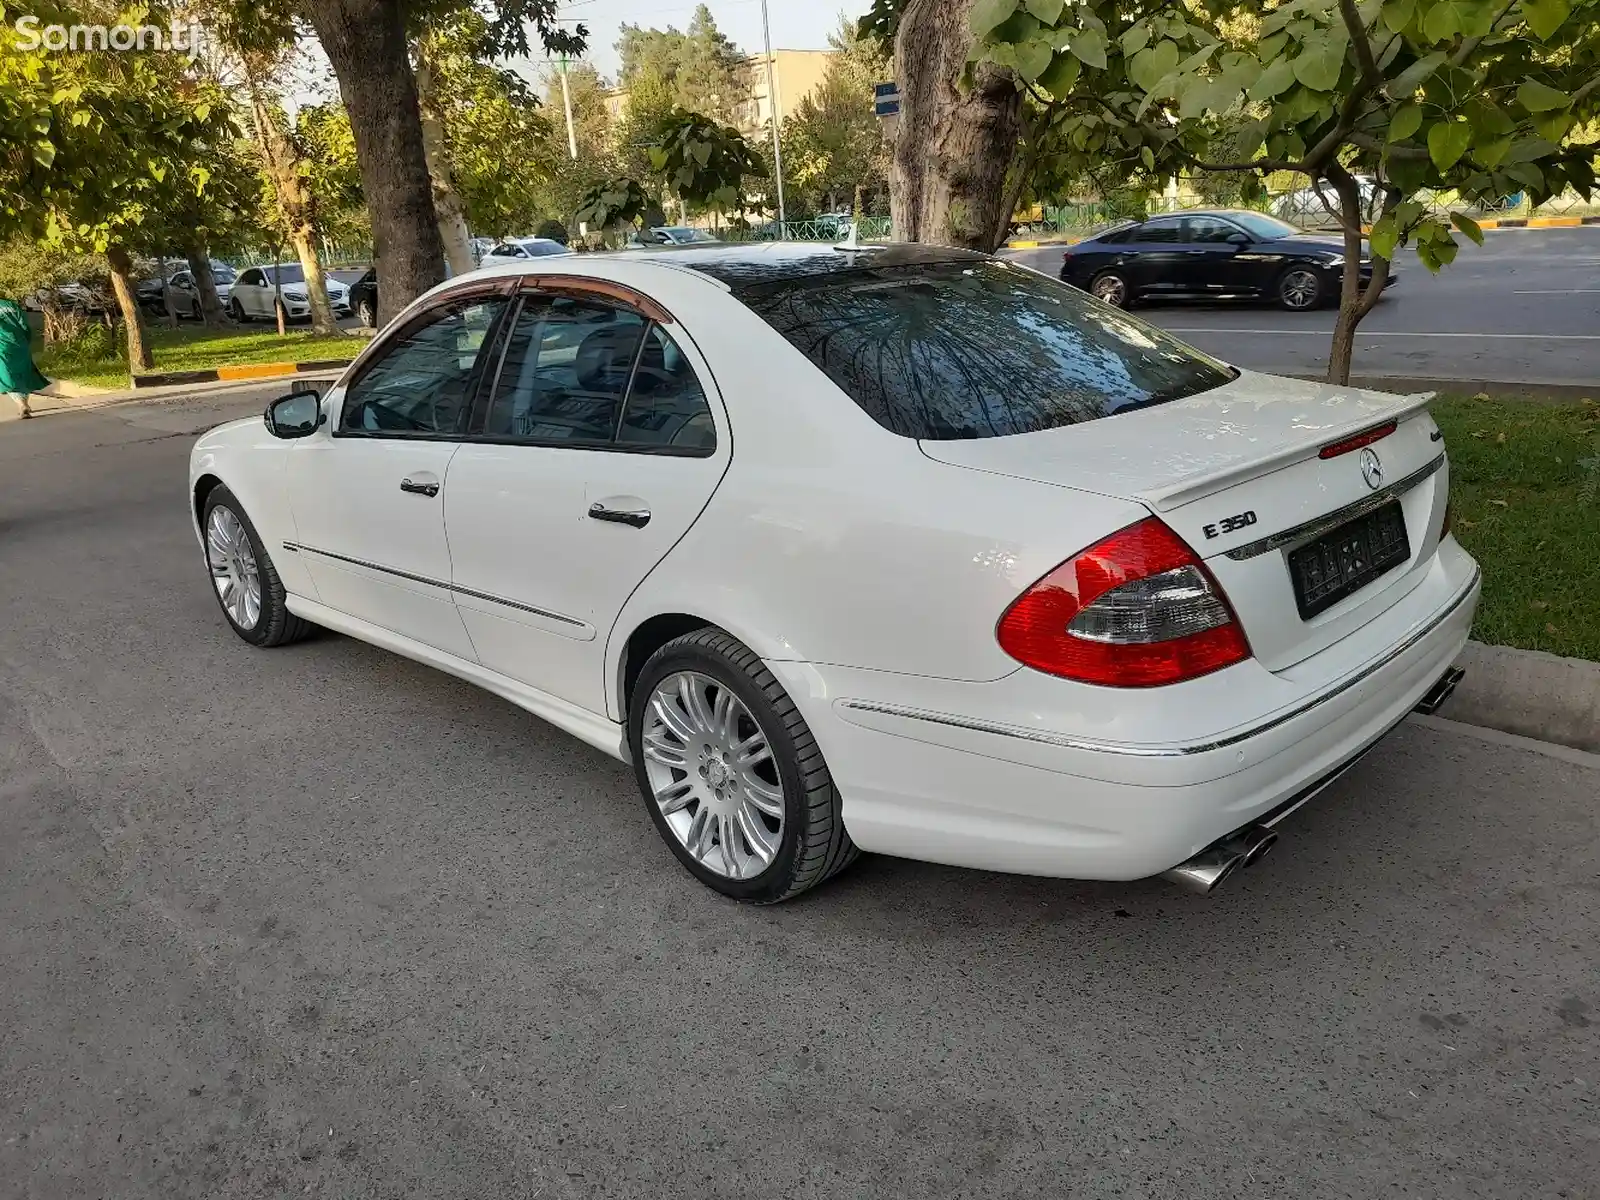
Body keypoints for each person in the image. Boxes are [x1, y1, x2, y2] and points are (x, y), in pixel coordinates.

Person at [1, 295, 49, 419]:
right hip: (20, 344)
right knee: (24, 373)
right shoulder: (11, 305)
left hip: (2, 345)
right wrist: (26, 341)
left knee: (8, 377)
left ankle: (21, 405)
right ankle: (25, 404)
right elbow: (25, 325)